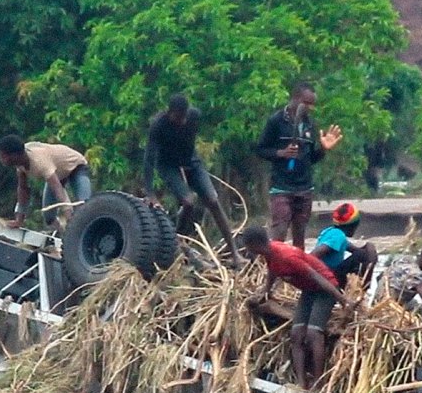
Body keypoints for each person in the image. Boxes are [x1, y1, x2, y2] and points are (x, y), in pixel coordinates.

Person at [241, 226, 353, 389]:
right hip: (308, 289)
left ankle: (317, 381)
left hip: (324, 288)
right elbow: (273, 270)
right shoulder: (269, 253)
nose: (247, 250)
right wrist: (266, 290)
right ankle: (301, 383)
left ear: (255, 244)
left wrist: (342, 300)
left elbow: (317, 276)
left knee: (313, 332)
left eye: (248, 246)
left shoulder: (287, 256)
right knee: (296, 334)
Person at [143, 94, 245, 267]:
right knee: (189, 201)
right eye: (178, 117)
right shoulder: (158, 125)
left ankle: (234, 252)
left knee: (213, 200)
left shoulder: (194, 116)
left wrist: (189, 168)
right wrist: (150, 193)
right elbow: (149, 159)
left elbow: (189, 142)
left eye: (184, 116)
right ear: (170, 113)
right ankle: (177, 242)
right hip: (168, 164)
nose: (182, 121)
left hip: (191, 161)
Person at [256, 81, 343, 249]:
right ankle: (274, 270)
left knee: (299, 238)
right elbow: (261, 149)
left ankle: (297, 273)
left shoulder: (310, 124)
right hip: (282, 187)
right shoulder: (276, 121)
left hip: (304, 188)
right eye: (307, 103)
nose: (310, 108)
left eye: (312, 104)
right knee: (279, 233)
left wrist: (324, 149)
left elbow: (311, 159)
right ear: (295, 99)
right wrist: (281, 153)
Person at [0, 135, 93, 230]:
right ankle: (62, 234)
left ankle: (82, 231)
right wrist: (19, 220)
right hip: (57, 173)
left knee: (84, 207)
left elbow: (57, 189)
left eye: (3, 157)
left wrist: (67, 213)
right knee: (49, 216)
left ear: (15, 155)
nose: (1, 160)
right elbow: (23, 189)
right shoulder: (20, 164)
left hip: (76, 167)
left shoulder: (39, 162)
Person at [375, 241, 422, 324]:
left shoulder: (404, 260)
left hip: (378, 307)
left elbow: (379, 277)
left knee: (414, 303)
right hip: (390, 313)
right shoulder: (416, 276)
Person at [310, 202, 379, 291]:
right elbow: (313, 255)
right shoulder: (338, 236)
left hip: (325, 275)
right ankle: (365, 287)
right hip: (329, 277)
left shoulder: (330, 231)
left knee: (367, 249)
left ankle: (364, 287)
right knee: (364, 253)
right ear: (353, 225)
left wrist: (370, 249)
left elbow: (355, 249)